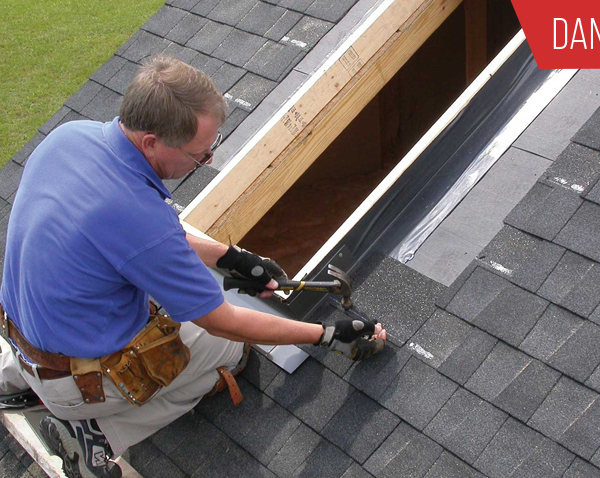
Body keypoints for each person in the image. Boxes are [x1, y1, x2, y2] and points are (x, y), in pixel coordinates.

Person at [0, 55, 386, 478]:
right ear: (151, 142)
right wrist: (325, 334)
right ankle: (98, 434)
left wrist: (230, 256)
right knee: (230, 353)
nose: (204, 163)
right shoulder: (138, 218)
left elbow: (131, 238)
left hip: (23, 337)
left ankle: (16, 382)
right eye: (199, 156)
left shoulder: (72, 138)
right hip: (76, 381)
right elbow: (222, 322)